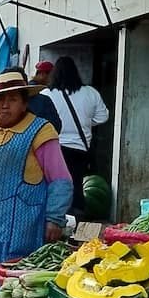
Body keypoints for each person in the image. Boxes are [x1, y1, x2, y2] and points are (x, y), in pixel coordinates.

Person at [0, 69, 73, 294]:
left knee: (11, 294)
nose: (5, 105)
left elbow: (60, 179)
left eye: (12, 99)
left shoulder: (40, 131)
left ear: (25, 103)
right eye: (0, 100)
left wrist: (54, 219)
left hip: (19, 230)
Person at [44, 55, 109, 212]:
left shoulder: (47, 95)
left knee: (55, 184)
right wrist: (85, 123)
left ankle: (57, 217)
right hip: (81, 147)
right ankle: (78, 219)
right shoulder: (90, 93)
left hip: (55, 147)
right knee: (77, 184)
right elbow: (103, 116)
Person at [24, 59, 63, 132]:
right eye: (52, 75)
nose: (53, 79)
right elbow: (56, 126)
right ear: (42, 74)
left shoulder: (26, 90)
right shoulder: (43, 96)